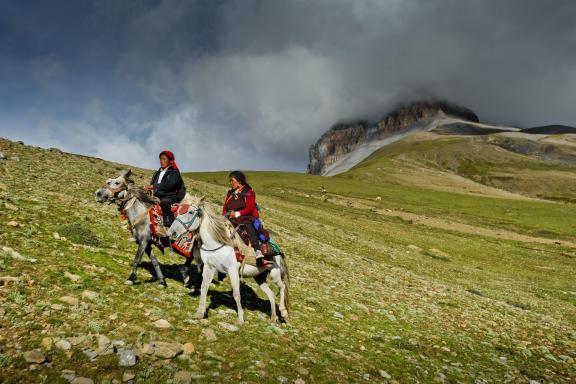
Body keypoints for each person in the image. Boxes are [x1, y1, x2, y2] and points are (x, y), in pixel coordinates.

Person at [222, 171, 270, 267]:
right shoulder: (230, 193)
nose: (231, 183)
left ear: (239, 181)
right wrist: (224, 216)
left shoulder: (248, 192)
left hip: (246, 216)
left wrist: (237, 213)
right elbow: (224, 207)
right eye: (230, 181)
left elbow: (250, 207)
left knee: (248, 225)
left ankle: (257, 251)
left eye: (232, 181)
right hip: (231, 217)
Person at [146, 150, 186, 228]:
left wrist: (154, 186)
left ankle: (169, 224)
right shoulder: (157, 173)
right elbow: (153, 184)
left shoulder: (174, 172)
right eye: (160, 159)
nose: (161, 161)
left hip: (172, 195)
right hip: (159, 195)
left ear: (170, 161)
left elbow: (170, 185)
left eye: (164, 159)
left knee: (164, 202)